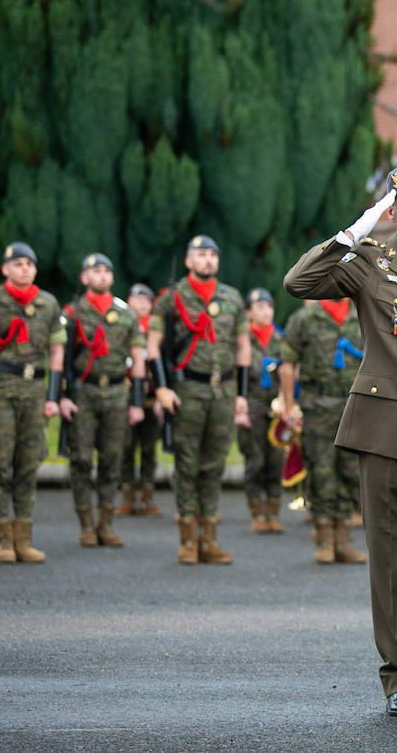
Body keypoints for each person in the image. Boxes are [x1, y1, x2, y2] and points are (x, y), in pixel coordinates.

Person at [285, 165, 397, 716]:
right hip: (385, 430)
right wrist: (357, 230)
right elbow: (301, 282)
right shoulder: (371, 264)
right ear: (393, 212)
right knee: (392, 557)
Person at [0, 242, 67, 563]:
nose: (25, 269)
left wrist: (53, 396)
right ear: (5, 268)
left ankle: (24, 539)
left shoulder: (47, 304)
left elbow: (57, 352)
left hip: (34, 391)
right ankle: (3, 540)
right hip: (0, 389)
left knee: (29, 464)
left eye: (30, 264)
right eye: (18, 264)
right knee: (0, 464)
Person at [146, 235, 250, 565]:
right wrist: (161, 388)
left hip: (222, 391)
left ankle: (209, 539)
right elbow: (153, 345)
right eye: (201, 255)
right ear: (189, 261)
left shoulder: (231, 298)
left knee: (214, 464)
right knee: (187, 464)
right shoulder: (172, 298)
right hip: (187, 390)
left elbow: (243, 347)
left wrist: (241, 393)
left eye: (212, 255)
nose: (208, 260)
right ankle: (188, 540)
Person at [58, 253, 146, 548]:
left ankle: (105, 523)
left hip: (116, 394)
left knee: (113, 459)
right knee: (81, 459)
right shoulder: (72, 313)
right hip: (83, 392)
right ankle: (86, 524)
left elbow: (137, 357)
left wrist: (136, 401)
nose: (103, 276)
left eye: (107, 271)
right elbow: (60, 358)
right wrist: (61, 396)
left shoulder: (125, 313)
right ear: (85, 278)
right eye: (96, 271)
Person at [277, 298, 368, 564]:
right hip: (318, 404)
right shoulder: (305, 318)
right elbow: (287, 363)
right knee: (322, 471)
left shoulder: (361, 311)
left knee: (350, 470)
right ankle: (324, 537)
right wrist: (289, 406)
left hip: (355, 405)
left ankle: (343, 539)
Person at [240, 288, 286, 535]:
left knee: (276, 460)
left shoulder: (280, 339)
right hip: (252, 406)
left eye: (269, 306)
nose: (266, 311)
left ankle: (273, 513)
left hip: (275, 409)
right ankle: (257, 512)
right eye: (259, 307)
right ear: (249, 312)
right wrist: (239, 409)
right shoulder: (243, 340)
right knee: (255, 460)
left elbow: (289, 371)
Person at [117, 283, 163, 517]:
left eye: (146, 301)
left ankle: (146, 497)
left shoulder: (155, 332)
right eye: (137, 300)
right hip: (124, 397)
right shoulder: (120, 328)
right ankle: (127, 496)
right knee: (125, 447)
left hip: (151, 398)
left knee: (148, 450)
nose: (141, 305)